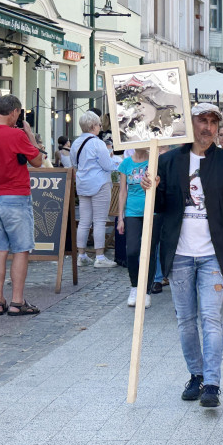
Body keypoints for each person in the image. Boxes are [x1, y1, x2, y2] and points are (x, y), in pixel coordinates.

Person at [145, 102, 223, 407]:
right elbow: (161, 207)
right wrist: (151, 189)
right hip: (178, 254)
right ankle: (196, 374)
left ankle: (213, 383)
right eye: (202, 121)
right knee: (186, 320)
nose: (208, 127)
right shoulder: (167, 162)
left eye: (213, 122)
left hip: (212, 255)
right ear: (190, 124)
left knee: (211, 318)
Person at [0, 95, 45, 317]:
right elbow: (38, 161)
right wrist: (30, 135)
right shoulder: (16, 134)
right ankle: (17, 301)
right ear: (14, 112)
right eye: (18, 114)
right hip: (15, 196)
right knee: (21, 250)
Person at [71, 111, 119, 269]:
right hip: (99, 183)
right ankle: (99, 256)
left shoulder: (76, 143)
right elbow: (108, 166)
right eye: (99, 124)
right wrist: (115, 161)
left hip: (83, 184)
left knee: (84, 221)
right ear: (93, 126)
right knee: (99, 220)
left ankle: (81, 255)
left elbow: (75, 164)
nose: (100, 126)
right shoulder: (98, 143)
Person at [117, 146, 155, 308]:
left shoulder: (153, 160)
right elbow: (123, 191)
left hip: (151, 211)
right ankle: (135, 286)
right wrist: (120, 217)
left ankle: (146, 291)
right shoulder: (126, 163)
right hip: (132, 212)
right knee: (132, 251)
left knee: (149, 251)